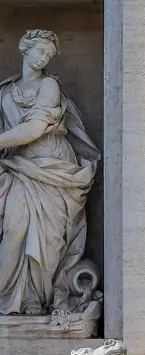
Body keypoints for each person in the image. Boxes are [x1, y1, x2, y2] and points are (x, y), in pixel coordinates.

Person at [0, 30, 99, 315]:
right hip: (19, 168)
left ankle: (34, 299)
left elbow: (33, 130)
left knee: (48, 238)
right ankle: (8, 299)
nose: (44, 58)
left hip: (52, 168)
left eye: (48, 55)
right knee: (15, 229)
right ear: (24, 48)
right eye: (40, 51)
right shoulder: (6, 91)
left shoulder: (48, 87)